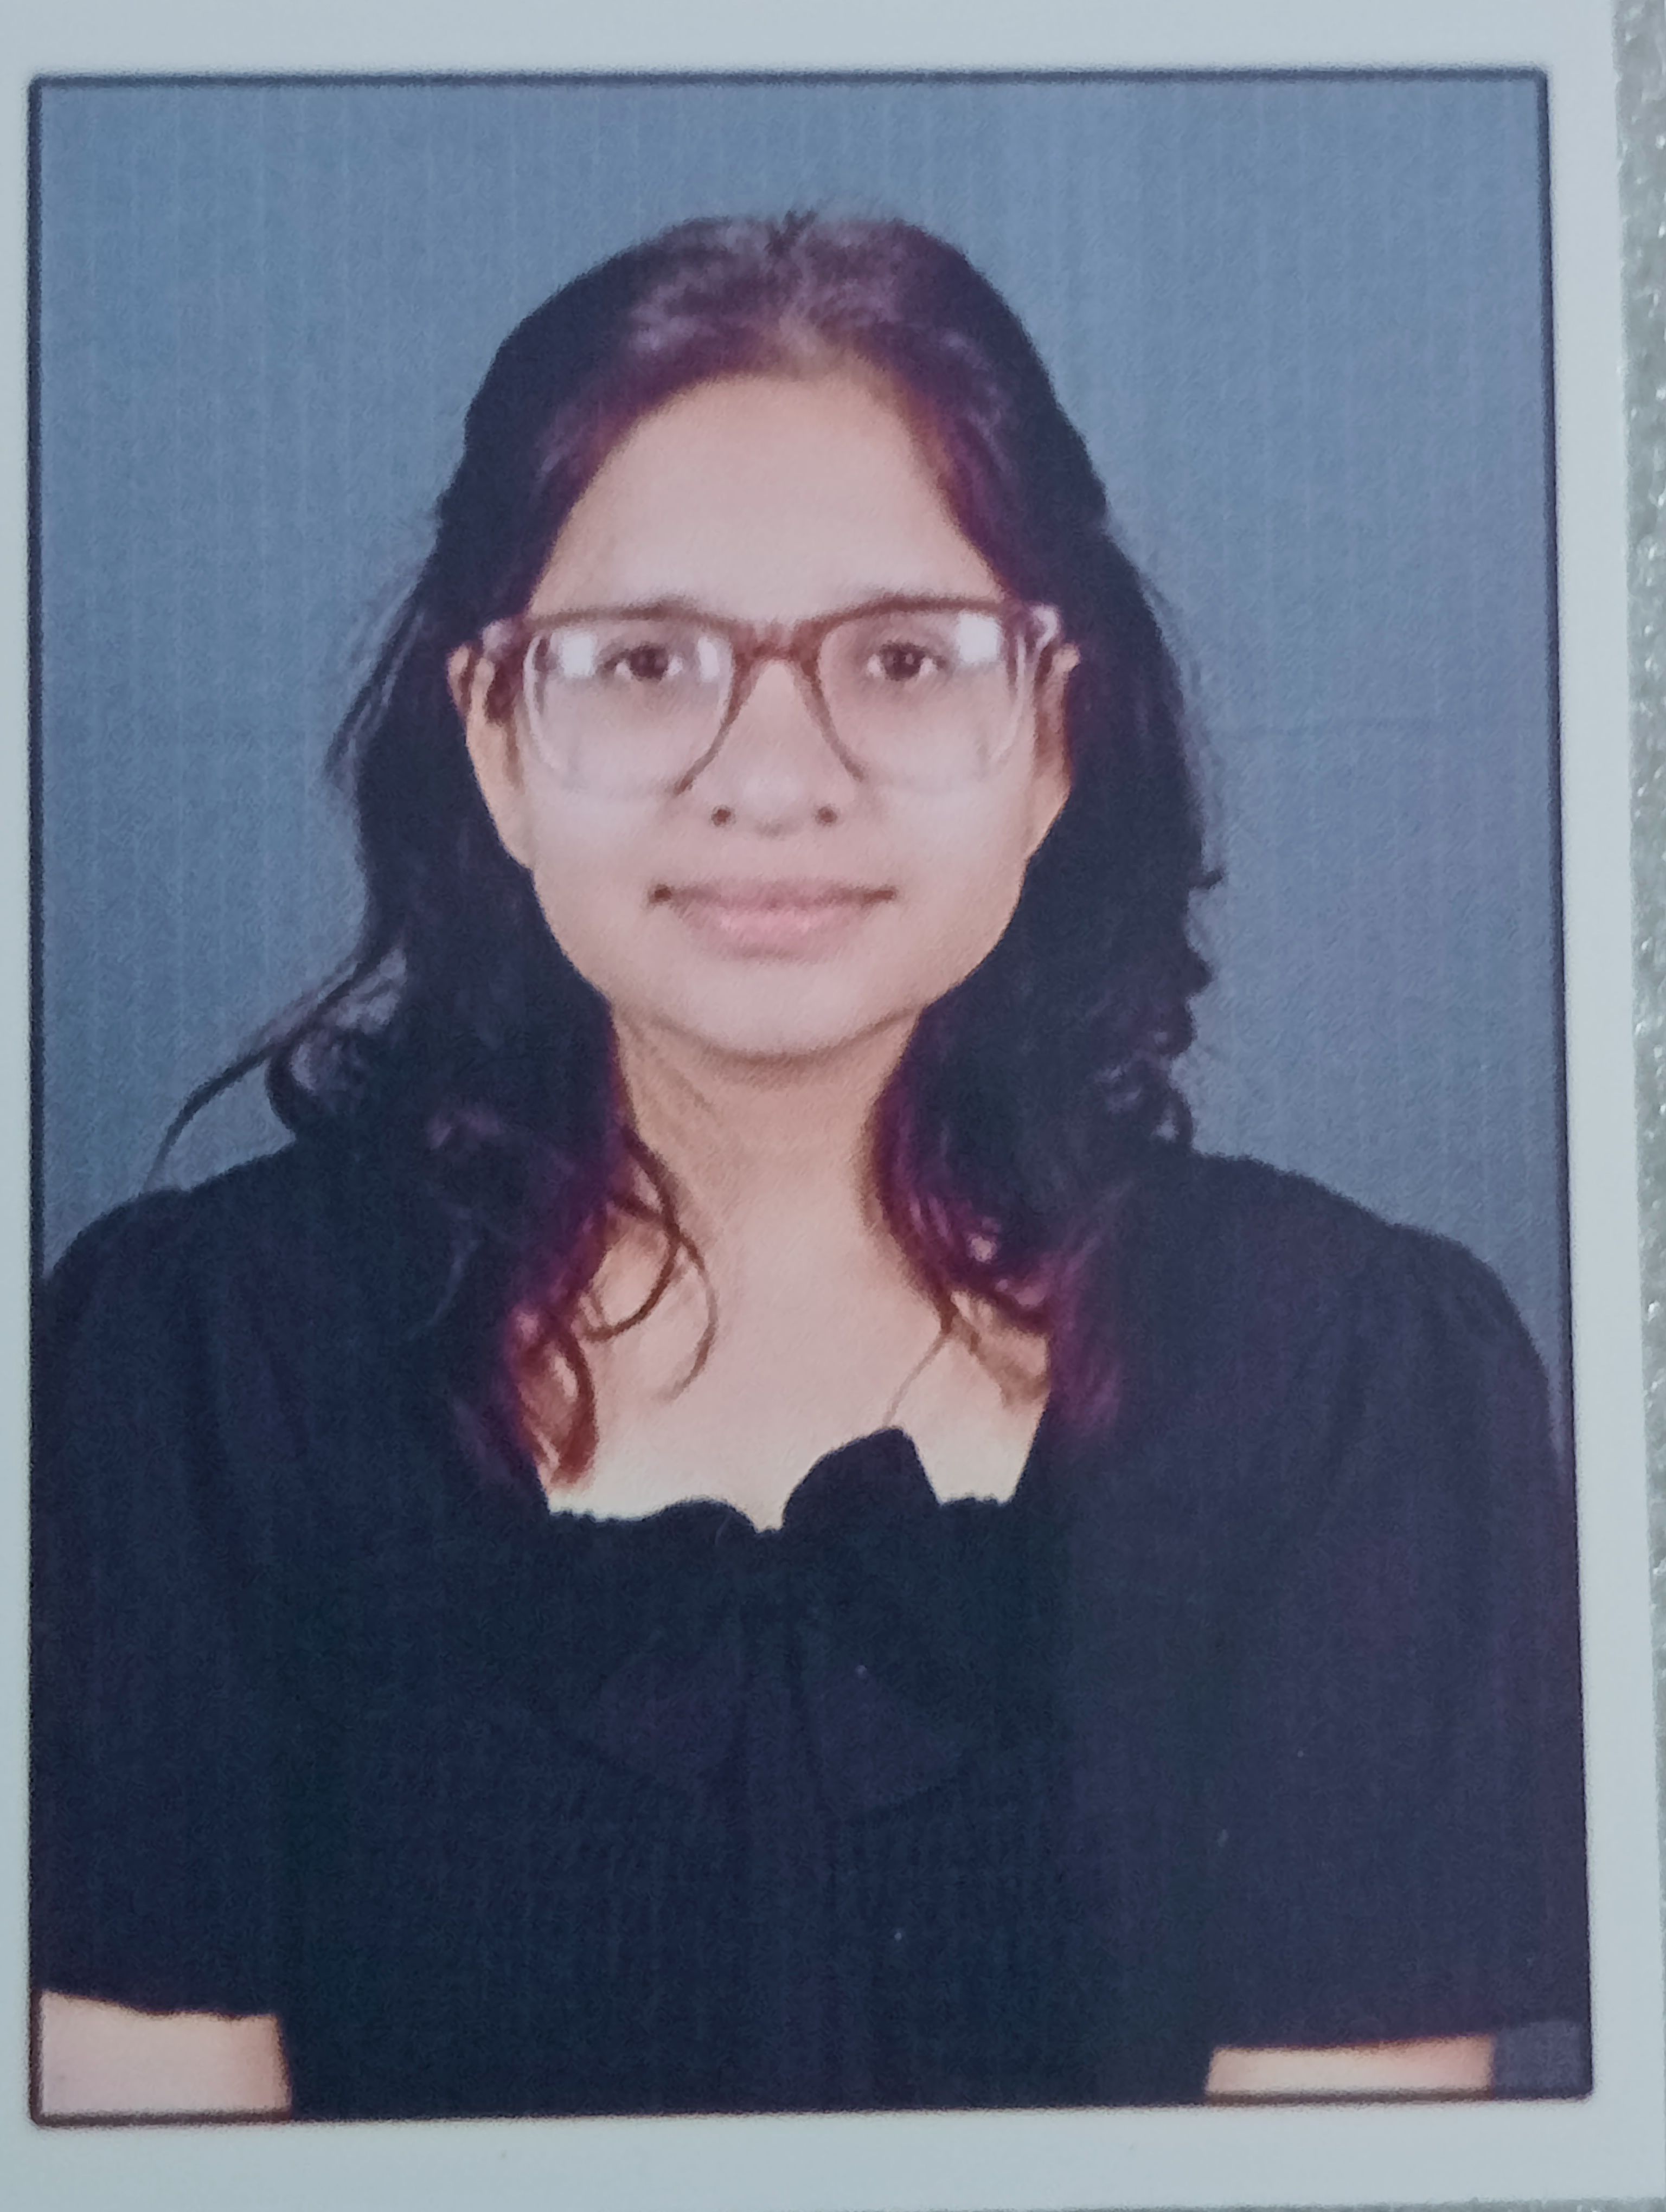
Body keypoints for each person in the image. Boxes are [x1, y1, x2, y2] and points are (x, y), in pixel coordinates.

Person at [31, 213, 1588, 2121]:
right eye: (646, 661)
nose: (773, 779)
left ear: (1053, 735)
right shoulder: (186, 1380)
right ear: (496, 738)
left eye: (906, 659)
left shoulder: (1346, 1389)